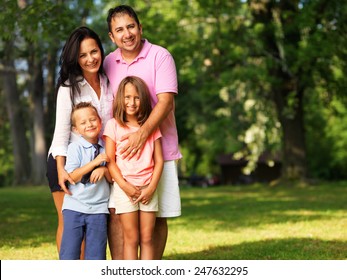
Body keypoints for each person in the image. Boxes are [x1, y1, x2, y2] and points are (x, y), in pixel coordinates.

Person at [105, 5, 182, 259]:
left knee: (157, 216)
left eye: (130, 26)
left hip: (160, 150)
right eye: (119, 30)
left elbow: (166, 101)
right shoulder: (108, 63)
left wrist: (142, 134)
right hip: (122, 159)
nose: (126, 34)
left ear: (140, 28)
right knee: (118, 214)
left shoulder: (160, 56)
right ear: (111, 36)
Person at [46, 26, 113, 258]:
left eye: (93, 52)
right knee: (70, 224)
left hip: (100, 161)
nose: (90, 59)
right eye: (83, 55)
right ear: (76, 59)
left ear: (101, 51)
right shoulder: (68, 88)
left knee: (94, 226)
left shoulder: (109, 82)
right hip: (66, 163)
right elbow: (61, 134)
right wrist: (61, 170)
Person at [104, 76, 163, 260]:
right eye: (127, 97)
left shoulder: (150, 127)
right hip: (125, 188)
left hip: (148, 188)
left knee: (147, 238)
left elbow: (159, 160)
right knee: (131, 238)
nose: (132, 102)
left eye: (137, 98)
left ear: (143, 99)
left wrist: (152, 188)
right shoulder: (113, 125)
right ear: (120, 98)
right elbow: (110, 161)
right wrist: (124, 186)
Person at [59, 102, 111, 260]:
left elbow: (112, 179)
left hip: (99, 209)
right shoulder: (75, 148)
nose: (89, 124)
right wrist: (95, 163)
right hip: (75, 207)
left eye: (93, 119)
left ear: (100, 121)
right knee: (70, 253)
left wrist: (104, 169)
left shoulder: (106, 149)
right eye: (83, 122)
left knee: (96, 255)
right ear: (76, 129)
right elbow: (72, 177)